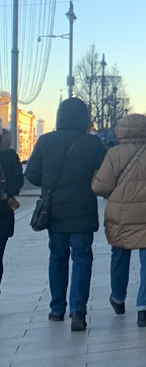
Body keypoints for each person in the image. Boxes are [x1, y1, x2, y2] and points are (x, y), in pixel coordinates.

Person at [25, 98, 106, 331]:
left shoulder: (46, 141)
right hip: (83, 209)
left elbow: (32, 174)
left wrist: (49, 184)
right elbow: (105, 173)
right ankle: (78, 309)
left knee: (57, 257)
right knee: (82, 258)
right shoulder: (93, 143)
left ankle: (56, 308)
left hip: (54, 210)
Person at [92, 113, 146, 327]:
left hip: (121, 215)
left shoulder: (113, 154)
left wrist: (95, 179)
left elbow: (101, 187)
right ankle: (143, 309)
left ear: (121, 130)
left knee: (120, 255)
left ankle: (118, 298)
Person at [0, 128, 24, 299]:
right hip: (4, 211)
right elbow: (18, 180)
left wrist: (7, 192)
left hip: (3, 212)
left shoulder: (9, 156)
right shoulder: (10, 156)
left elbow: (17, 181)